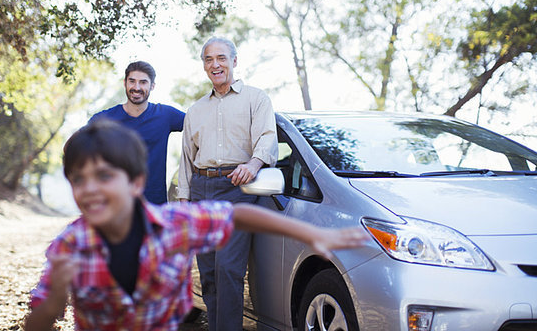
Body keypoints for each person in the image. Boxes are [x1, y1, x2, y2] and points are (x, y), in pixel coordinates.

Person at [25, 120, 369, 331]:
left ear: (136, 182)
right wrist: (54, 299)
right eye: (78, 179)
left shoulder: (174, 226)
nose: (90, 189)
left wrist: (312, 232)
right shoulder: (69, 247)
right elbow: (38, 322)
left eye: (103, 176)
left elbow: (239, 215)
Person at [176, 36, 278, 330]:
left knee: (228, 269)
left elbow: (267, 139)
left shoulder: (256, 99)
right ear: (204, 66)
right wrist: (184, 200)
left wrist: (254, 164)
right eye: (209, 59)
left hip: (238, 190)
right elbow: (186, 158)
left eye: (221, 58)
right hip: (202, 190)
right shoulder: (195, 111)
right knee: (208, 271)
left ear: (234, 60)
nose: (215, 64)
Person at [90, 61, 184, 205]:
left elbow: (200, 125)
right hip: (116, 203)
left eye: (143, 82)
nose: (136, 87)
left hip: (154, 204)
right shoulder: (106, 119)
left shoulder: (165, 115)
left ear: (152, 86)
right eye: (132, 81)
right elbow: (73, 147)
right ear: (125, 83)